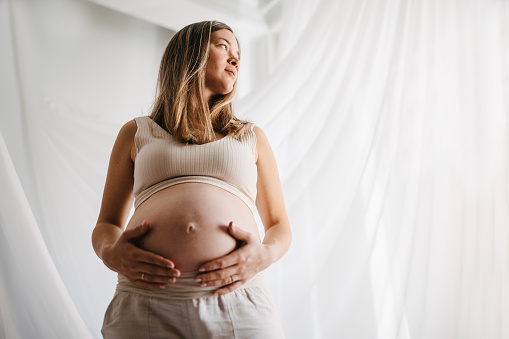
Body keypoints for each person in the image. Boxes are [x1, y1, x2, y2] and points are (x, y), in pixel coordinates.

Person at [92, 20, 291, 338]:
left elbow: (279, 224)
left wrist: (264, 255)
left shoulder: (250, 137)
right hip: (146, 300)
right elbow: (106, 224)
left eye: (238, 53)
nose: (235, 59)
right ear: (189, 53)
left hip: (235, 299)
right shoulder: (138, 132)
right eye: (223, 46)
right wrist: (110, 253)